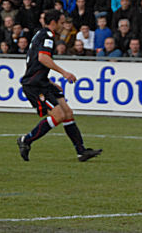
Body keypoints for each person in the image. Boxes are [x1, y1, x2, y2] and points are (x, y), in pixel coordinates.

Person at [17, 10, 102, 162]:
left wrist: (48, 81)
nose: (64, 26)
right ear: (53, 22)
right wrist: (64, 73)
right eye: (62, 23)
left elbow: (33, 62)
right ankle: (26, 140)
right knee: (59, 116)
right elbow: (42, 58)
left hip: (42, 82)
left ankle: (81, 152)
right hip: (35, 85)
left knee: (68, 113)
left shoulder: (40, 34)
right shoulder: (47, 35)